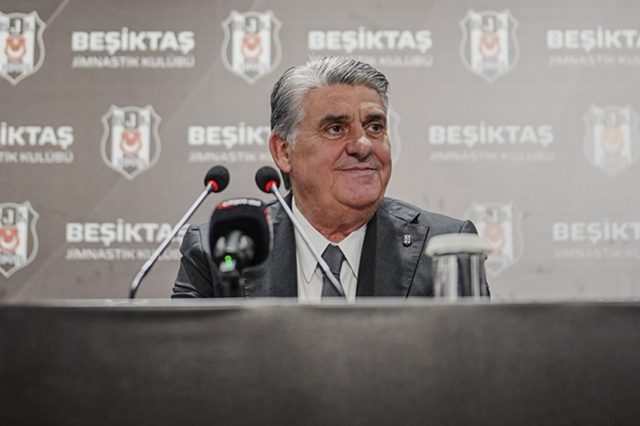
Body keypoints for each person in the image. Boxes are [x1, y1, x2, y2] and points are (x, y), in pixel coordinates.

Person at [172, 56, 488, 301]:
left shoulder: (445, 248)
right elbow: (185, 361)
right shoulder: (216, 250)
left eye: (375, 127)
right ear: (283, 151)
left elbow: (473, 359)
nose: (363, 145)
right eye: (336, 128)